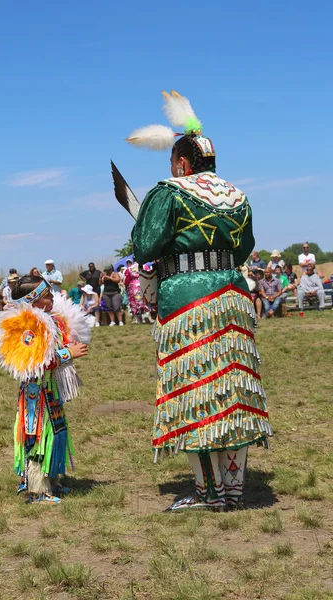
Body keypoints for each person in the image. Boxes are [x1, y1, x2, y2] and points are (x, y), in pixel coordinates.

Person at [127, 90, 271, 511]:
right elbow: (244, 249)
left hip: (188, 301)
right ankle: (234, 491)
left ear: (182, 164)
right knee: (233, 389)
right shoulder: (238, 196)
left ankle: (207, 493)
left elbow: (146, 245)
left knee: (193, 389)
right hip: (233, 298)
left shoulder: (170, 191)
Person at [0, 275, 90, 504]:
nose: (52, 297)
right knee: (36, 438)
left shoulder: (48, 321)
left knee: (55, 434)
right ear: (32, 301)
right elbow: (34, 362)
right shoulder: (26, 327)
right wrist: (68, 354)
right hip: (36, 395)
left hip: (50, 391)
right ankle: (37, 490)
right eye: (46, 295)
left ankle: (52, 481)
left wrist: (69, 345)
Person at [124, 259, 151, 324]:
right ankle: (147, 314)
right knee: (145, 300)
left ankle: (140, 320)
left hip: (134, 285)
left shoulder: (130, 268)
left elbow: (127, 279)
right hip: (144, 284)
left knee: (135, 303)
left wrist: (126, 285)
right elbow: (150, 275)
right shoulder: (145, 266)